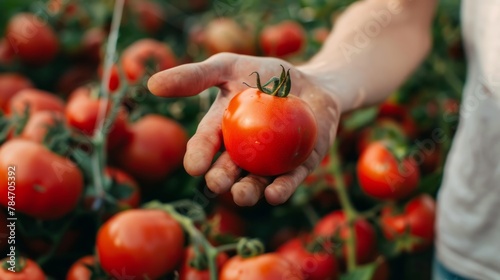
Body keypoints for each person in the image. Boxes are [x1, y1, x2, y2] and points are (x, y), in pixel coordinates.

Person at [147, 0, 500, 279]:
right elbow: (404, 11)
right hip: (471, 248)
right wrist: (326, 82)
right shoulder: (280, 110)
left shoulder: (259, 108)